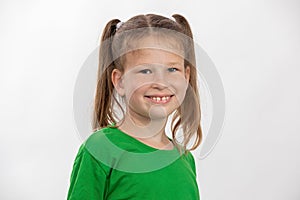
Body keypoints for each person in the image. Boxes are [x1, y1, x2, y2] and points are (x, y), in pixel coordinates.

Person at [67, 13, 203, 200]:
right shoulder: (100, 150)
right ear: (120, 81)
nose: (160, 83)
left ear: (186, 77)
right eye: (146, 71)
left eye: (172, 69)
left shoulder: (185, 159)